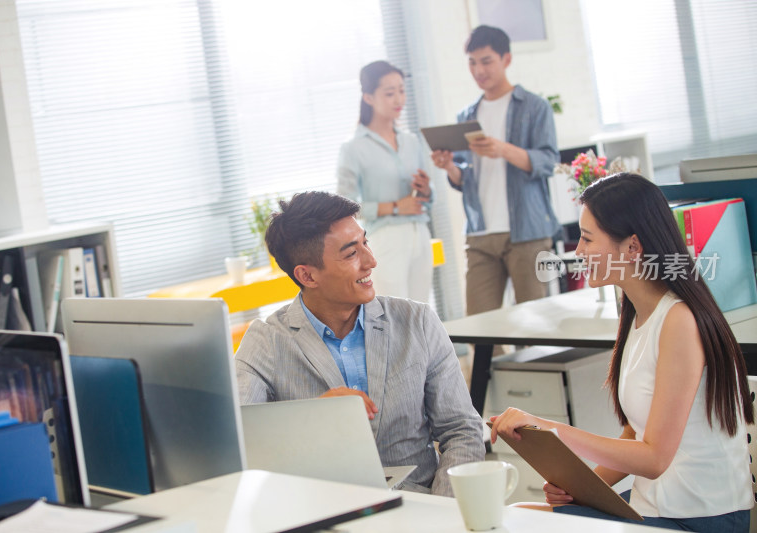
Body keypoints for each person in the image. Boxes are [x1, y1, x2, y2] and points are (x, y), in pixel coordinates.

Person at [490, 173, 754, 531]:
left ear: (632, 247)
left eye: (586, 238)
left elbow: (655, 458)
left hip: (699, 517)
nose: (578, 252)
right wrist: (583, 488)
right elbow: (635, 435)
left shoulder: (680, 321)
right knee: (521, 514)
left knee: (524, 522)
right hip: (656, 504)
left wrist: (550, 429)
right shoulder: (637, 313)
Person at [235, 191, 484, 497]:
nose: (371, 261)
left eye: (365, 242)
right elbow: (240, 443)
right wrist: (310, 419)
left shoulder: (417, 321)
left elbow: (461, 429)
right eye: (351, 253)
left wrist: (444, 513)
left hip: (420, 508)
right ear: (307, 276)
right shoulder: (266, 341)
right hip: (322, 513)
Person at [431, 25, 560, 318]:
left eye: (486, 61)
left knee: (537, 324)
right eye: (472, 62)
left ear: (507, 59)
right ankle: (494, 368)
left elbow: (549, 162)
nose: (479, 70)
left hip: (527, 232)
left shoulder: (534, 107)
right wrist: (449, 166)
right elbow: (465, 179)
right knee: (480, 325)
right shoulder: (467, 116)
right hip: (480, 233)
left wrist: (503, 149)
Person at [337, 60, 433, 302]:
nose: (399, 99)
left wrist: (425, 191)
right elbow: (344, 206)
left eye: (401, 91)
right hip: (385, 238)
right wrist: (396, 207)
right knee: (392, 319)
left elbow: (429, 200)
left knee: (421, 317)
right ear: (368, 97)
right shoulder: (353, 147)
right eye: (390, 93)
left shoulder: (411, 141)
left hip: (420, 234)